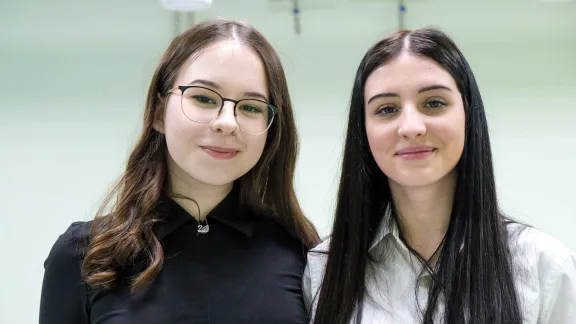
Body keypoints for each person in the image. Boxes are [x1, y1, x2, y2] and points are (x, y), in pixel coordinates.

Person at [39, 17, 320, 324]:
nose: (227, 122)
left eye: (251, 107)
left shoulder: (300, 251)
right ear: (159, 113)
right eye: (203, 98)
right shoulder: (83, 255)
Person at [303, 27, 576, 324]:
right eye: (386, 109)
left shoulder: (543, 265)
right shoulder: (324, 270)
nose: (411, 126)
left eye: (433, 103)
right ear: (363, 130)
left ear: (468, 114)